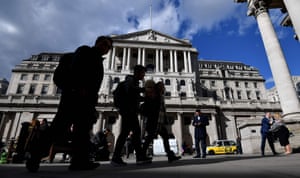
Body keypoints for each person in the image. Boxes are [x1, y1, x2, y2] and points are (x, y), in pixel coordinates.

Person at [50, 36, 113, 171]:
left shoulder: (99, 62)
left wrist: (93, 100)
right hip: (73, 98)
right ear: (97, 43)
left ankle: (79, 162)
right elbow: (75, 70)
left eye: (108, 46)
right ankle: (34, 156)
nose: (105, 47)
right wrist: (77, 88)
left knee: (82, 132)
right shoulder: (85, 51)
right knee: (58, 128)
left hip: (87, 102)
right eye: (103, 43)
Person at [111, 65, 151, 166]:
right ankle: (139, 157)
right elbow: (131, 91)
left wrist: (145, 99)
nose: (144, 75)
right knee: (135, 133)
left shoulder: (134, 82)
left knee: (127, 133)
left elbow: (135, 97)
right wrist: (143, 90)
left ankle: (118, 157)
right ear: (138, 72)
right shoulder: (130, 81)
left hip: (130, 111)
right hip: (128, 111)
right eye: (143, 73)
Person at [141, 80, 181, 163]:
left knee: (164, 137)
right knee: (150, 138)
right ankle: (142, 154)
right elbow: (156, 109)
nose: (164, 88)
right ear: (159, 87)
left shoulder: (159, 95)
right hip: (154, 121)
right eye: (162, 86)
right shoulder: (155, 95)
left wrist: (165, 120)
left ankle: (170, 155)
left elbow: (162, 109)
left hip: (159, 121)